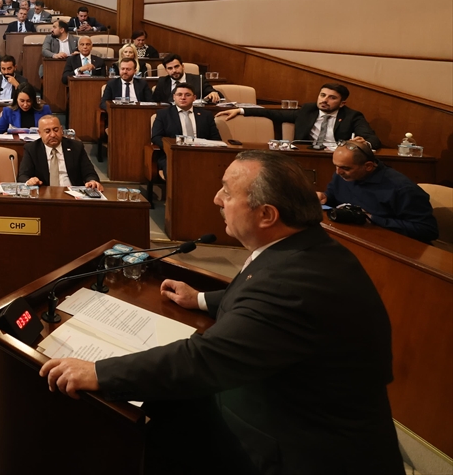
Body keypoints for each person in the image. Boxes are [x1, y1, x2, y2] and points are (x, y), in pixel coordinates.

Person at [40, 151, 403, 475]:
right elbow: (255, 295)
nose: (217, 199)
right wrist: (200, 299)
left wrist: (100, 372)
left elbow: (205, 360)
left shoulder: (293, 282)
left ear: (266, 214)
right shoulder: (304, 248)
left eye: (228, 193)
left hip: (302, 449)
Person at [321, 139, 437, 243]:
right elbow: (335, 197)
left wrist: (372, 219)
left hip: (393, 245)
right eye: (336, 166)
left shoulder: (402, 188)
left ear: (368, 166)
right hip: (354, 237)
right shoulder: (343, 175)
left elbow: (427, 230)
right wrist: (325, 198)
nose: (338, 172)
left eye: (345, 168)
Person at [217, 82, 381, 149]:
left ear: (342, 103)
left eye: (332, 98)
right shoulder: (308, 110)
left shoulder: (352, 116)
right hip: (305, 153)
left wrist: (362, 142)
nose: (325, 100)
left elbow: (373, 139)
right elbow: (273, 113)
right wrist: (241, 110)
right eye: (322, 95)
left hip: (336, 157)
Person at [151, 83, 223, 175]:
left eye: (187, 95)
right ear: (174, 97)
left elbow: (215, 138)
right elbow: (156, 137)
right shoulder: (163, 114)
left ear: (194, 98)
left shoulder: (206, 115)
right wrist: (172, 147)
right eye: (179, 95)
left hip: (202, 154)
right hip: (174, 154)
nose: (183, 97)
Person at [18, 114, 102, 189]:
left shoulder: (76, 147)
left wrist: (92, 181)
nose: (53, 135)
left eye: (56, 130)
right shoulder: (32, 149)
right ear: (39, 133)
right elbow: (22, 176)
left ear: (61, 130)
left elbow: (90, 173)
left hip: (72, 195)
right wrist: (29, 181)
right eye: (47, 131)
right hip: (44, 196)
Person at [153, 54, 220, 104]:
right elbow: (155, 102)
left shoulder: (198, 79)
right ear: (166, 70)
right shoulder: (162, 82)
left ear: (182, 66)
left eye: (176, 67)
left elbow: (211, 92)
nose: (174, 71)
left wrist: (213, 93)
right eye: (170, 68)